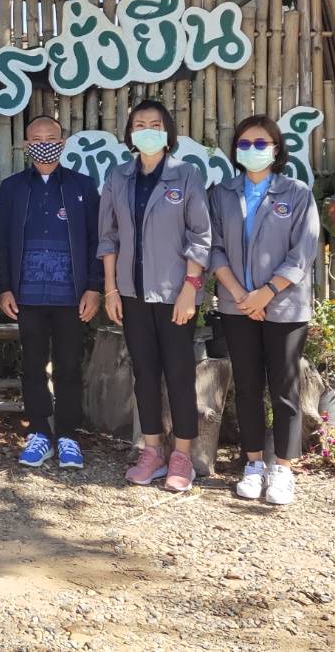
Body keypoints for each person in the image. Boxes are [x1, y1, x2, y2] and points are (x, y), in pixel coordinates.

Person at [97, 99, 211, 492]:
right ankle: (151, 451)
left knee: (179, 374)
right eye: (140, 124)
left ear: (167, 132)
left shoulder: (186, 175)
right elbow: (108, 236)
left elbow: (201, 236)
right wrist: (111, 288)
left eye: (155, 124)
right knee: (144, 374)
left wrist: (190, 289)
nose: (147, 130)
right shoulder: (118, 177)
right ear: (131, 133)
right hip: (131, 293)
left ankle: (182, 456)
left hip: (175, 295)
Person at [208, 115, 320, 506]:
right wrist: (242, 295)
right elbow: (214, 247)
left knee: (285, 389)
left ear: (276, 149)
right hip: (237, 305)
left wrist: (266, 293)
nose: (252, 150)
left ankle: (283, 469)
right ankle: (253, 464)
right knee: (248, 387)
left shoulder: (297, 193)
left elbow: (303, 251)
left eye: (261, 143)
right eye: (244, 144)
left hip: (285, 306)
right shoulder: (221, 194)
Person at [0, 115, 101, 470]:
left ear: (62, 142)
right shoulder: (12, 188)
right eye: (36, 139)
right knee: (33, 365)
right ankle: (39, 431)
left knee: (69, 364)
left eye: (51, 138)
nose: (44, 144)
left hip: (72, 295)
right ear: (26, 145)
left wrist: (94, 287)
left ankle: (68, 435)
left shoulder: (83, 187)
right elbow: (0, 241)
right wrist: (4, 288)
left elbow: (97, 241)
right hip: (26, 295)